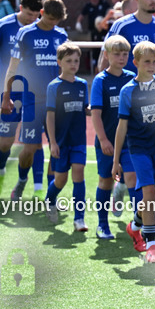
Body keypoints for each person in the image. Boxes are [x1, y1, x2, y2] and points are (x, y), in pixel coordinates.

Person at [2, 0, 69, 202]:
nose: (52, 24)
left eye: (57, 20)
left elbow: (67, 67)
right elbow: (12, 67)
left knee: (56, 148)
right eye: (49, 19)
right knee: (29, 148)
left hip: (57, 100)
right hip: (32, 99)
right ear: (42, 13)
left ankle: (51, 195)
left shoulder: (62, 34)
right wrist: (6, 96)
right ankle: (22, 181)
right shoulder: (25, 33)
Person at [113, 41, 155, 263]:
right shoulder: (128, 90)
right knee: (148, 193)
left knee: (151, 196)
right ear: (135, 62)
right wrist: (116, 159)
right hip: (138, 148)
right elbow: (122, 126)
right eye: (147, 61)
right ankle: (152, 246)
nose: (152, 65)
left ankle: (135, 225)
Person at [0, 0, 41, 198]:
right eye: (29, 15)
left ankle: (30, 183)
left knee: (32, 143)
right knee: (5, 142)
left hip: (34, 93)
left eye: (36, 16)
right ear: (21, 8)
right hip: (8, 91)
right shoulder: (3, 25)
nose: (33, 20)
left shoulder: (41, 28)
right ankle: (0, 171)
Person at [90, 35, 137, 240]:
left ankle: (138, 224)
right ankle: (102, 225)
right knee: (105, 181)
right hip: (107, 142)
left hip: (130, 142)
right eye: (117, 54)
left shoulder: (132, 77)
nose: (121, 57)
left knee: (133, 179)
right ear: (107, 55)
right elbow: (96, 114)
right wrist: (103, 139)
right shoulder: (100, 81)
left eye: (125, 54)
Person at [44, 42, 90, 231]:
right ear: (59, 62)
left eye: (76, 61)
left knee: (78, 173)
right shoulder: (54, 86)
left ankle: (79, 218)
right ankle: (50, 199)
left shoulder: (83, 84)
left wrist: (98, 110)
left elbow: (86, 108)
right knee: (61, 179)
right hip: (61, 142)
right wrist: (53, 142)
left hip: (78, 139)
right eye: (69, 60)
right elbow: (50, 115)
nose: (73, 64)